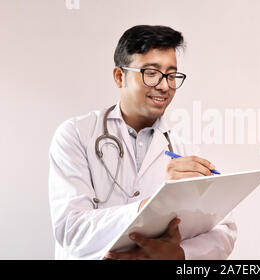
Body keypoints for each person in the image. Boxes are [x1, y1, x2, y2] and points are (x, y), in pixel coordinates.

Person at [48, 25, 237, 260]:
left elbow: (224, 230)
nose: (164, 85)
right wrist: (153, 206)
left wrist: (178, 254)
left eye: (171, 74)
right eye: (151, 73)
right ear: (120, 76)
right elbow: (71, 230)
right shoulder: (76, 135)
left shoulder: (183, 149)